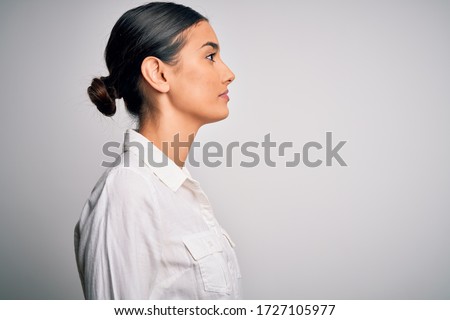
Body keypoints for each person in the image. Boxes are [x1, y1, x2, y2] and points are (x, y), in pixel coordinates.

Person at [74, 2, 242, 299]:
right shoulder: (129, 189)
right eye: (210, 56)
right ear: (158, 74)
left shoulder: (178, 191)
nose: (229, 74)